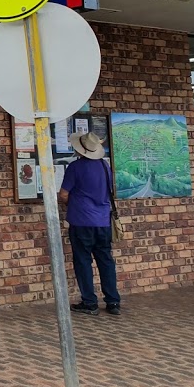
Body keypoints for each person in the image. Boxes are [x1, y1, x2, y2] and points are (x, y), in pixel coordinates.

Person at [59, 132, 121, 316]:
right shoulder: (105, 166)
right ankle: (113, 301)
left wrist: (74, 203)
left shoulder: (75, 167)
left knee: (83, 261)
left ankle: (89, 302)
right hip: (103, 221)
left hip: (81, 221)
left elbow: (63, 194)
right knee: (106, 261)